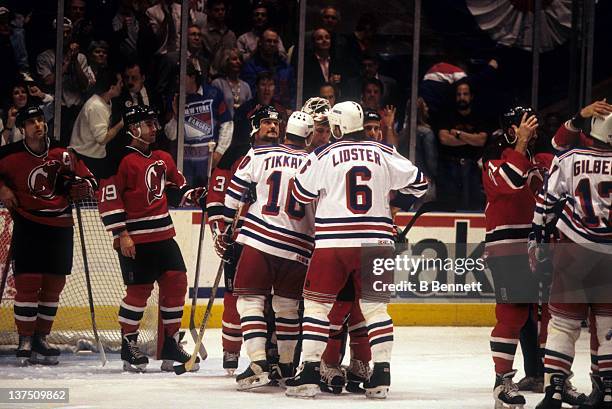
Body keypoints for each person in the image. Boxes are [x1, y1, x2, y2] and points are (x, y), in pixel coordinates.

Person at [286, 101, 428, 399]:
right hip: (377, 240)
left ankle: (309, 372)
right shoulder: (384, 151)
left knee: (317, 308)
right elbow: (420, 184)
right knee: (376, 309)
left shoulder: (324, 153)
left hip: (333, 242)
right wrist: (391, 202)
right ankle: (381, 375)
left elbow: (300, 192)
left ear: (338, 127)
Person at [97, 105, 207, 373]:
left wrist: (193, 193)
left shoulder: (161, 157)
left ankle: (170, 342)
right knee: (138, 292)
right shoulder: (118, 159)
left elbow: (176, 184)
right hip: (136, 238)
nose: (155, 128)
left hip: (164, 235)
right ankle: (129, 344)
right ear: (134, 129)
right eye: (149, 124)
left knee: (177, 282)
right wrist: (121, 233)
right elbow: (109, 196)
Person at [221, 106, 315, 390]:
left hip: (260, 239)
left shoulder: (259, 154)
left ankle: (259, 362)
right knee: (287, 307)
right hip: (299, 245)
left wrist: (227, 226)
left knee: (250, 301)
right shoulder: (316, 161)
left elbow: (232, 196)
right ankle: (287, 366)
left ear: (286, 131)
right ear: (309, 136)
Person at [0, 105, 96, 365]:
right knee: (28, 285)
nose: (38, 125)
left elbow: (90, 178)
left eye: (40, 120)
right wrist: (3, 188)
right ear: (22, 128)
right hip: (29, 225)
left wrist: (82, 187)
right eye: (31, 122)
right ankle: (25, 340)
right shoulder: (8, 156)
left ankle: (41, 338)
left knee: (53, 287)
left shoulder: (63, 153)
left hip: (61, 227)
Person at [480, 107, 560, 409]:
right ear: (511, 130)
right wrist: (521, 145)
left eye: (533, 125)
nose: (531, 130)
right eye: (524, 125)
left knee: (549, 317)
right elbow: (512, 184)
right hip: (508, 247)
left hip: (542, 247)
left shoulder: (545, 162)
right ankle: (502, 381)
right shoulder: (493, 165)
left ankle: (549, 375)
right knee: (512, 315)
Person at [534, 105, 612, 409]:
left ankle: (554, 388)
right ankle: (607, 390)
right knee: (607, 324)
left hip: (574, 251)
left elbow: (546, 203)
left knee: (563, 323)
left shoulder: (569, 159)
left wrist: (537, 240)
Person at [164, 63, 233, 185]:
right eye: (176, 79)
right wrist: (176, 115)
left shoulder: (213, 94)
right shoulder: (175, 98)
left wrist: (220, 151)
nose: (178, 82)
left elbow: (227, 123)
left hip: (209, 161)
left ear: (192, 77)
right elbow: (171, 136)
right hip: (184, 164)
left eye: (181, 77)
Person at [437, 80, 490, 210]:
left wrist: (458, 134)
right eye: (459, 94)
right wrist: (471, 139)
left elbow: (482, 140)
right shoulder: (447, 115)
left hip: (473, 166)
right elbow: (444, 139)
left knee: (473, 207)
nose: (462, 97)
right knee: (449, 206)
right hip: (449, 166)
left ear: (471, 96)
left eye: (465, 94)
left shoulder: (479, 115)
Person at [69, 71, 124, 178]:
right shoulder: (97, 106)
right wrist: (121, 125)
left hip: (93, 155)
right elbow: (102, 139)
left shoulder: (105, 102)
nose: (122, 85)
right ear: (111, 88)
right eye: (120, 83)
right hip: (85, 157)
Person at [240, 28, 295, 109]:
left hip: (285, 112)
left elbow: (293, 93)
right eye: (268, 41)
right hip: (259, 111)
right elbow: (251, 94)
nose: (272, 44)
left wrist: (293, 110)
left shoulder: (285, 67)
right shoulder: (250, 67)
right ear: (260, 43)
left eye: (275, 42)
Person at [2, 79, 54, 145]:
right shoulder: (5, 116)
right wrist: (9, 126)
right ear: (11, 97)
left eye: (23, 92)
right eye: (16, 93)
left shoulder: (36, 111)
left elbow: (54, 107)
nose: (21, 95)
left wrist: (41, 94)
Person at [212, 48, 253, 118]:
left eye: (240, 59)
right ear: (226, 62)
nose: (238, 62)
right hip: (224, 126)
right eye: (234, 59)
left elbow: (250, 111)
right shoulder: (218, 83)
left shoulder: (246, 86)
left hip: (241, 126)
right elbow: (214, 109)